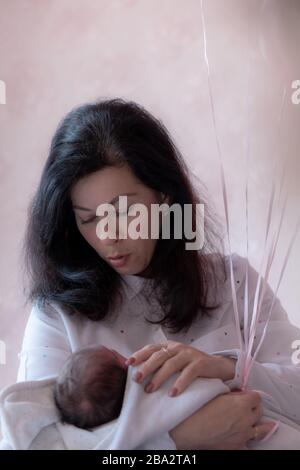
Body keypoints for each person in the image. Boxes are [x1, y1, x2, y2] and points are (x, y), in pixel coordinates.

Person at [1, 98, 300, 450]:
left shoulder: (234, 281)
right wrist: (177, 440)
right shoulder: (57, 315)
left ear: (164, 197)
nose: (108, 235)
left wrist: (226, 367)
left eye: (124, 212)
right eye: (89, 218)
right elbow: (34, 443)